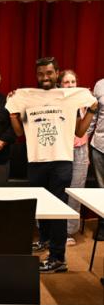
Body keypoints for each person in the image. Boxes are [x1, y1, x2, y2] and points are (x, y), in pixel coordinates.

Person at [7, 57, 98, 273]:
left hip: (61, 160)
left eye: (49, 73)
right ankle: (45, 240)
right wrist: (13, 112)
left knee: (57, 209)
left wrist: (93, 109)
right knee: (41, 207)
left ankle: (58, 258)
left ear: (57, 73)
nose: (45, 77)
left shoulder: (67, 98)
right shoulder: (27, 97)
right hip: (36, 159)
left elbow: (78, 131)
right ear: (36, 75)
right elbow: (20, 132)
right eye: (41, 74)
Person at [58, 70, 89, 246]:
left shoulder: (85, 102)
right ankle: (54, 229)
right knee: (60, 190)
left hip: (81, 151)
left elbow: (86, 130)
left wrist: (87, 155)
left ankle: (69, 231)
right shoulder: (58, 102)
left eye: (72, 82)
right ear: (60, 85)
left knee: (76, 191)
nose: (70, 85)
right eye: (66, 82)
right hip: (63, 150)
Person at [87, 77, 104, 243]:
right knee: (102, 190)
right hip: (99, 145)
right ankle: (103, 226)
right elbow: (93, 116)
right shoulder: (100, 85)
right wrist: (85, 138)